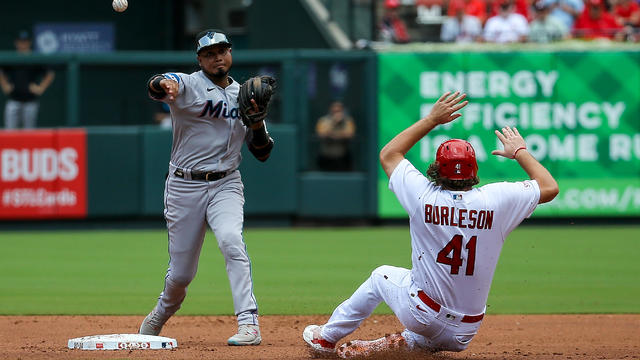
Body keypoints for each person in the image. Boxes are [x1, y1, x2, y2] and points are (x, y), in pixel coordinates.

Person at [303, 91, 559, 358]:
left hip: (423, 314)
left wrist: (432, 120)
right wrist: (519, 151)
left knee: (381, 276)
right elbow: (550, 187)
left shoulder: (422, 195)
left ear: (437, 168)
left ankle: (326, 338)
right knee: (427, 330)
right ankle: (381, 348)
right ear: (474, 170)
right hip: (466, 331)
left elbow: (390, 154)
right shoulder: (497, 200)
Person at [138, 29, 274, 346]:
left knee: (230, 240)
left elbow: (263, 152)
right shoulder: (188, 84)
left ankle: (249, 323)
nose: (217, 57)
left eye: (222, 51)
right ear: (200, 59)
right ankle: (161, 312)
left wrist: (255, 123)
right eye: (210, 53)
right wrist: (165, 84)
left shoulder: (245, 95)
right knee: (181, 274)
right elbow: (156, 84)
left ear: (231, 54)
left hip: (226, 182)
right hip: (184, 186)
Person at [0, 30, 55, 129]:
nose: (23, 44)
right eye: (21, 41)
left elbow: (50, 73)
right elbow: (1, 71)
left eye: (25, 41)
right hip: (14, 100)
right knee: (9, 133)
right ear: (16, 43)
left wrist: (40, 88)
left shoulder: (34, 58)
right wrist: (5, 85)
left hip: (30, 101)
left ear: (29, 43)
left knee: (29, 133)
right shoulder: (12, 57)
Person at [315, 101, 356, 171]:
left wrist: (335, 135)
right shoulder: (324, 120)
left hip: (342, 155)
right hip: (326, 155)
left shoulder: (347, 121)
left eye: (339, 111)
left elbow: (350, 134)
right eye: (335, 111)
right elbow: (321, 134)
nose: (337, 113)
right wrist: (333, 123)